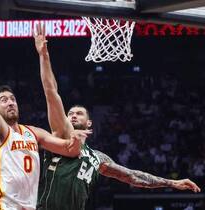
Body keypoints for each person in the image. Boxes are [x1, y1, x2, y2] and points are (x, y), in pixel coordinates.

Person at [33, 23, 201, 210]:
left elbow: (132, 176)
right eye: (70, 113)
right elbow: (51, 92)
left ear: (89, 123)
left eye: (78, 113)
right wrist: (44, 55)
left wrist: (171, 183)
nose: (72, 116)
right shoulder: (62, 133)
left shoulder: (97, 158)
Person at [0, 29, 91, 210]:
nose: (11, 103)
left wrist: (76, 139)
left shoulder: (33, 133)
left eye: (13, 99)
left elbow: (69, 150)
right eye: (4, 101)